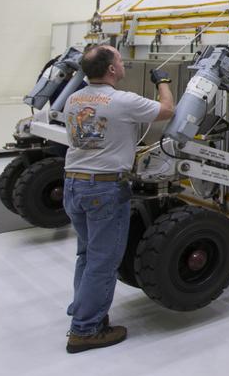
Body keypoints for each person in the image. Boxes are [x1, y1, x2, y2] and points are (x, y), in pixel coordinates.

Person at [62, 44, 174, 354]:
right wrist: (162, 81)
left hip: (74, 185)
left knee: (87, 255)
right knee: (103, 261)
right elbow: (167, 111)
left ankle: (83, 309)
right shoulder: (122, 101)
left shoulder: (74, 98)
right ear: (111, 70)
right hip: (104, 190)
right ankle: (85, 330)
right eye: (120, 61)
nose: (123, 65)